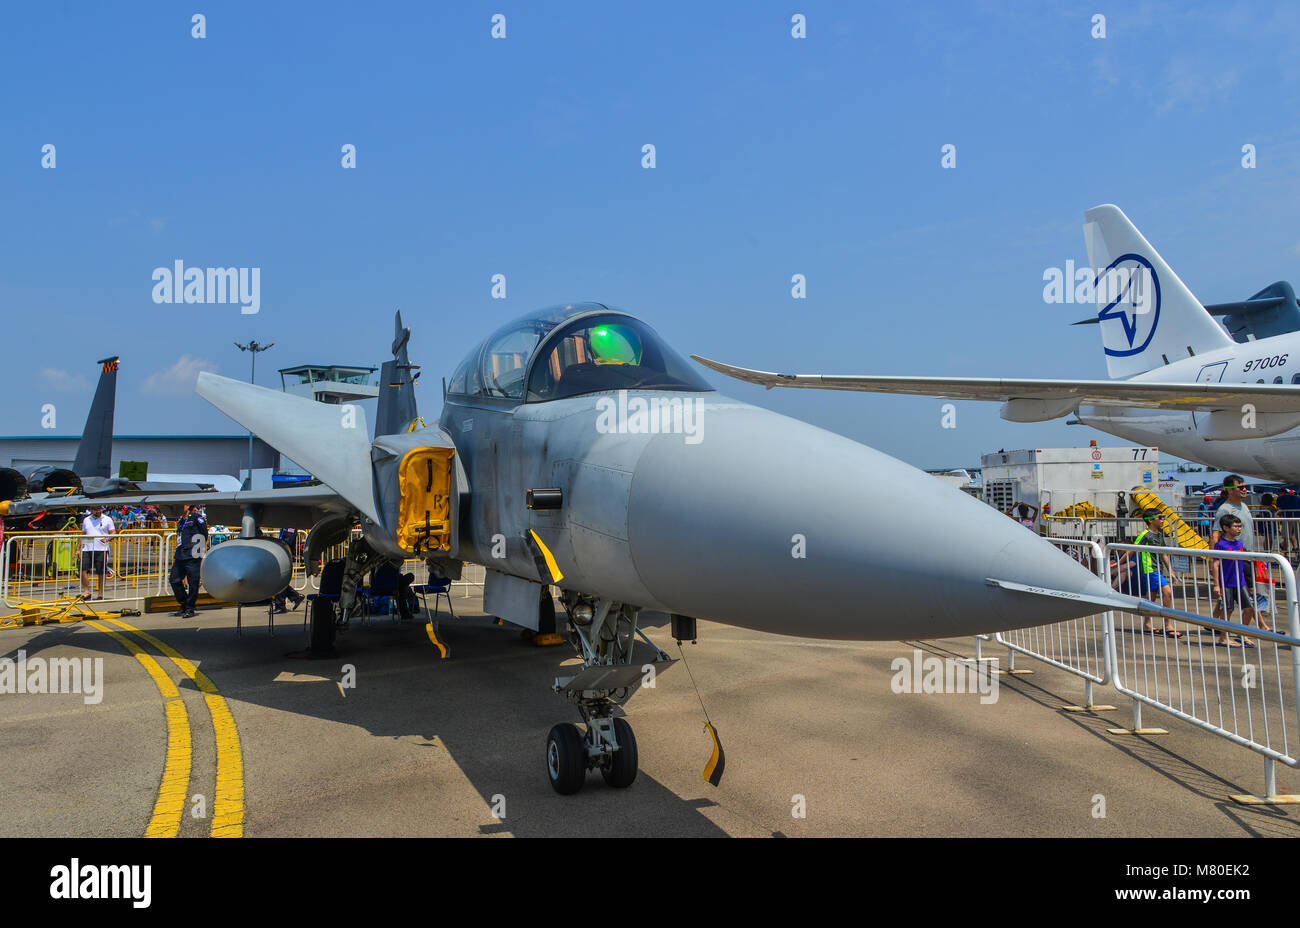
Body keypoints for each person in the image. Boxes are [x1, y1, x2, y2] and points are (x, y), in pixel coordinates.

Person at [1211, 513, 1270, 646]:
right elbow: (1216, 564)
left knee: (1249, 608)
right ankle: (1223, 637)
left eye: (1240, 526)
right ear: (1226, 528)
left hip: (1240, 581)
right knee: (1228, 610)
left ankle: (1242, 633)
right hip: (1227, 582)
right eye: (1235, 526)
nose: (1239, 529)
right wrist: (1217, 585)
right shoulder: (1221, 544)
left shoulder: (1239, 543)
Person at [1132, 509, 1181, 637]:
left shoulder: (1159, 534)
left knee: (1151, 597)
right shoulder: (1145, 535)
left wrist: (1171, 571)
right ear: (1151, 520)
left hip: (1157, 569)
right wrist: (1118, 563)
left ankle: (1147, 624)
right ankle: (1168, 624)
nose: (1163, 519)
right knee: (1167, 592)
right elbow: (1131, 550)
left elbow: (1163, 553)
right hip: (1149, 569)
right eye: (1160, 517)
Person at [169, 504, 207, 618]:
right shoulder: (181, 520)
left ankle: (190, 608)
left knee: (193, 582)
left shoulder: (196, 517)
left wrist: (199, 550)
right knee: (174, 580)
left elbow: (204, 533)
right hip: (180, 554)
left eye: (184, 504)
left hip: (193, 554)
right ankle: (184, 603)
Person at [78, 504, 115, 600]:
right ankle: (86, 591)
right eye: (94, 509)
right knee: (82, 569)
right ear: (91, 510)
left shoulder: (107, 519)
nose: (97, 511)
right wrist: (78, 549)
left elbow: (113, 532)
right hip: (87, 547)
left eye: (99, 509)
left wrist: (107, 538)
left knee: (101, 571)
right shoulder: (86, 520)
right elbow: (83, 534)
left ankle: (100, 593)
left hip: (101, 548)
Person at [1210, 476, 1254, 551]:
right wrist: (1212, 559)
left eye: (1245, 487)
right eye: (1240, 487)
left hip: (1248, 554)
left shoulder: (1244, 506)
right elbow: (1216, 535)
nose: (1244, 489)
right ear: (1230, 490)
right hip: (1234, 556)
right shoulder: (1224, 509)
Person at [271, 528, 305, 613]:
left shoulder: (290, 526)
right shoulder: (285, 526)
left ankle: (281, 606)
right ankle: (296, 597)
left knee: (280, 580)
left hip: (285, 554)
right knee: (280, 580)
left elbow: (287, 542)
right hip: (282, 553)